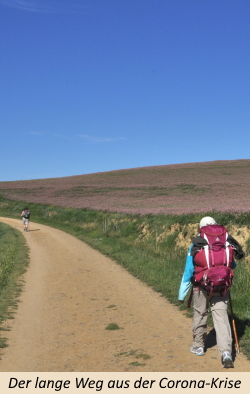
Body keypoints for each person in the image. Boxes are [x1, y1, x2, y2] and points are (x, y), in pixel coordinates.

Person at [178, 216, 245, 368]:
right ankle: (226, 353)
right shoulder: (226, 243)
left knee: (200, 313)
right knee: (221, 317)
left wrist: (182, 294)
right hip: (222, 286)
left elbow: (188, 271)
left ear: (201, 228)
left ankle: (199, 346)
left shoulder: (196, 244)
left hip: (201, 285)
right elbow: (231, 264)